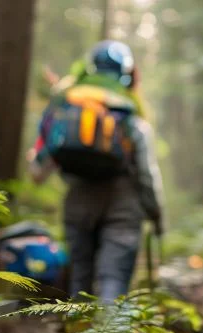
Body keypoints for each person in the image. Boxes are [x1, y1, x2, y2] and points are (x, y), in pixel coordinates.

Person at [28, 40, 164, 303]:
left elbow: (38, 168)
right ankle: (111, 329)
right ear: (126, 73)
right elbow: (147, 173)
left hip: (78, 197)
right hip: (124, 205)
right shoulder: (128, 112)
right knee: (114, 278)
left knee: (80, 277)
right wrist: (156, 216)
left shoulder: (65, 106)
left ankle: (78, 327)